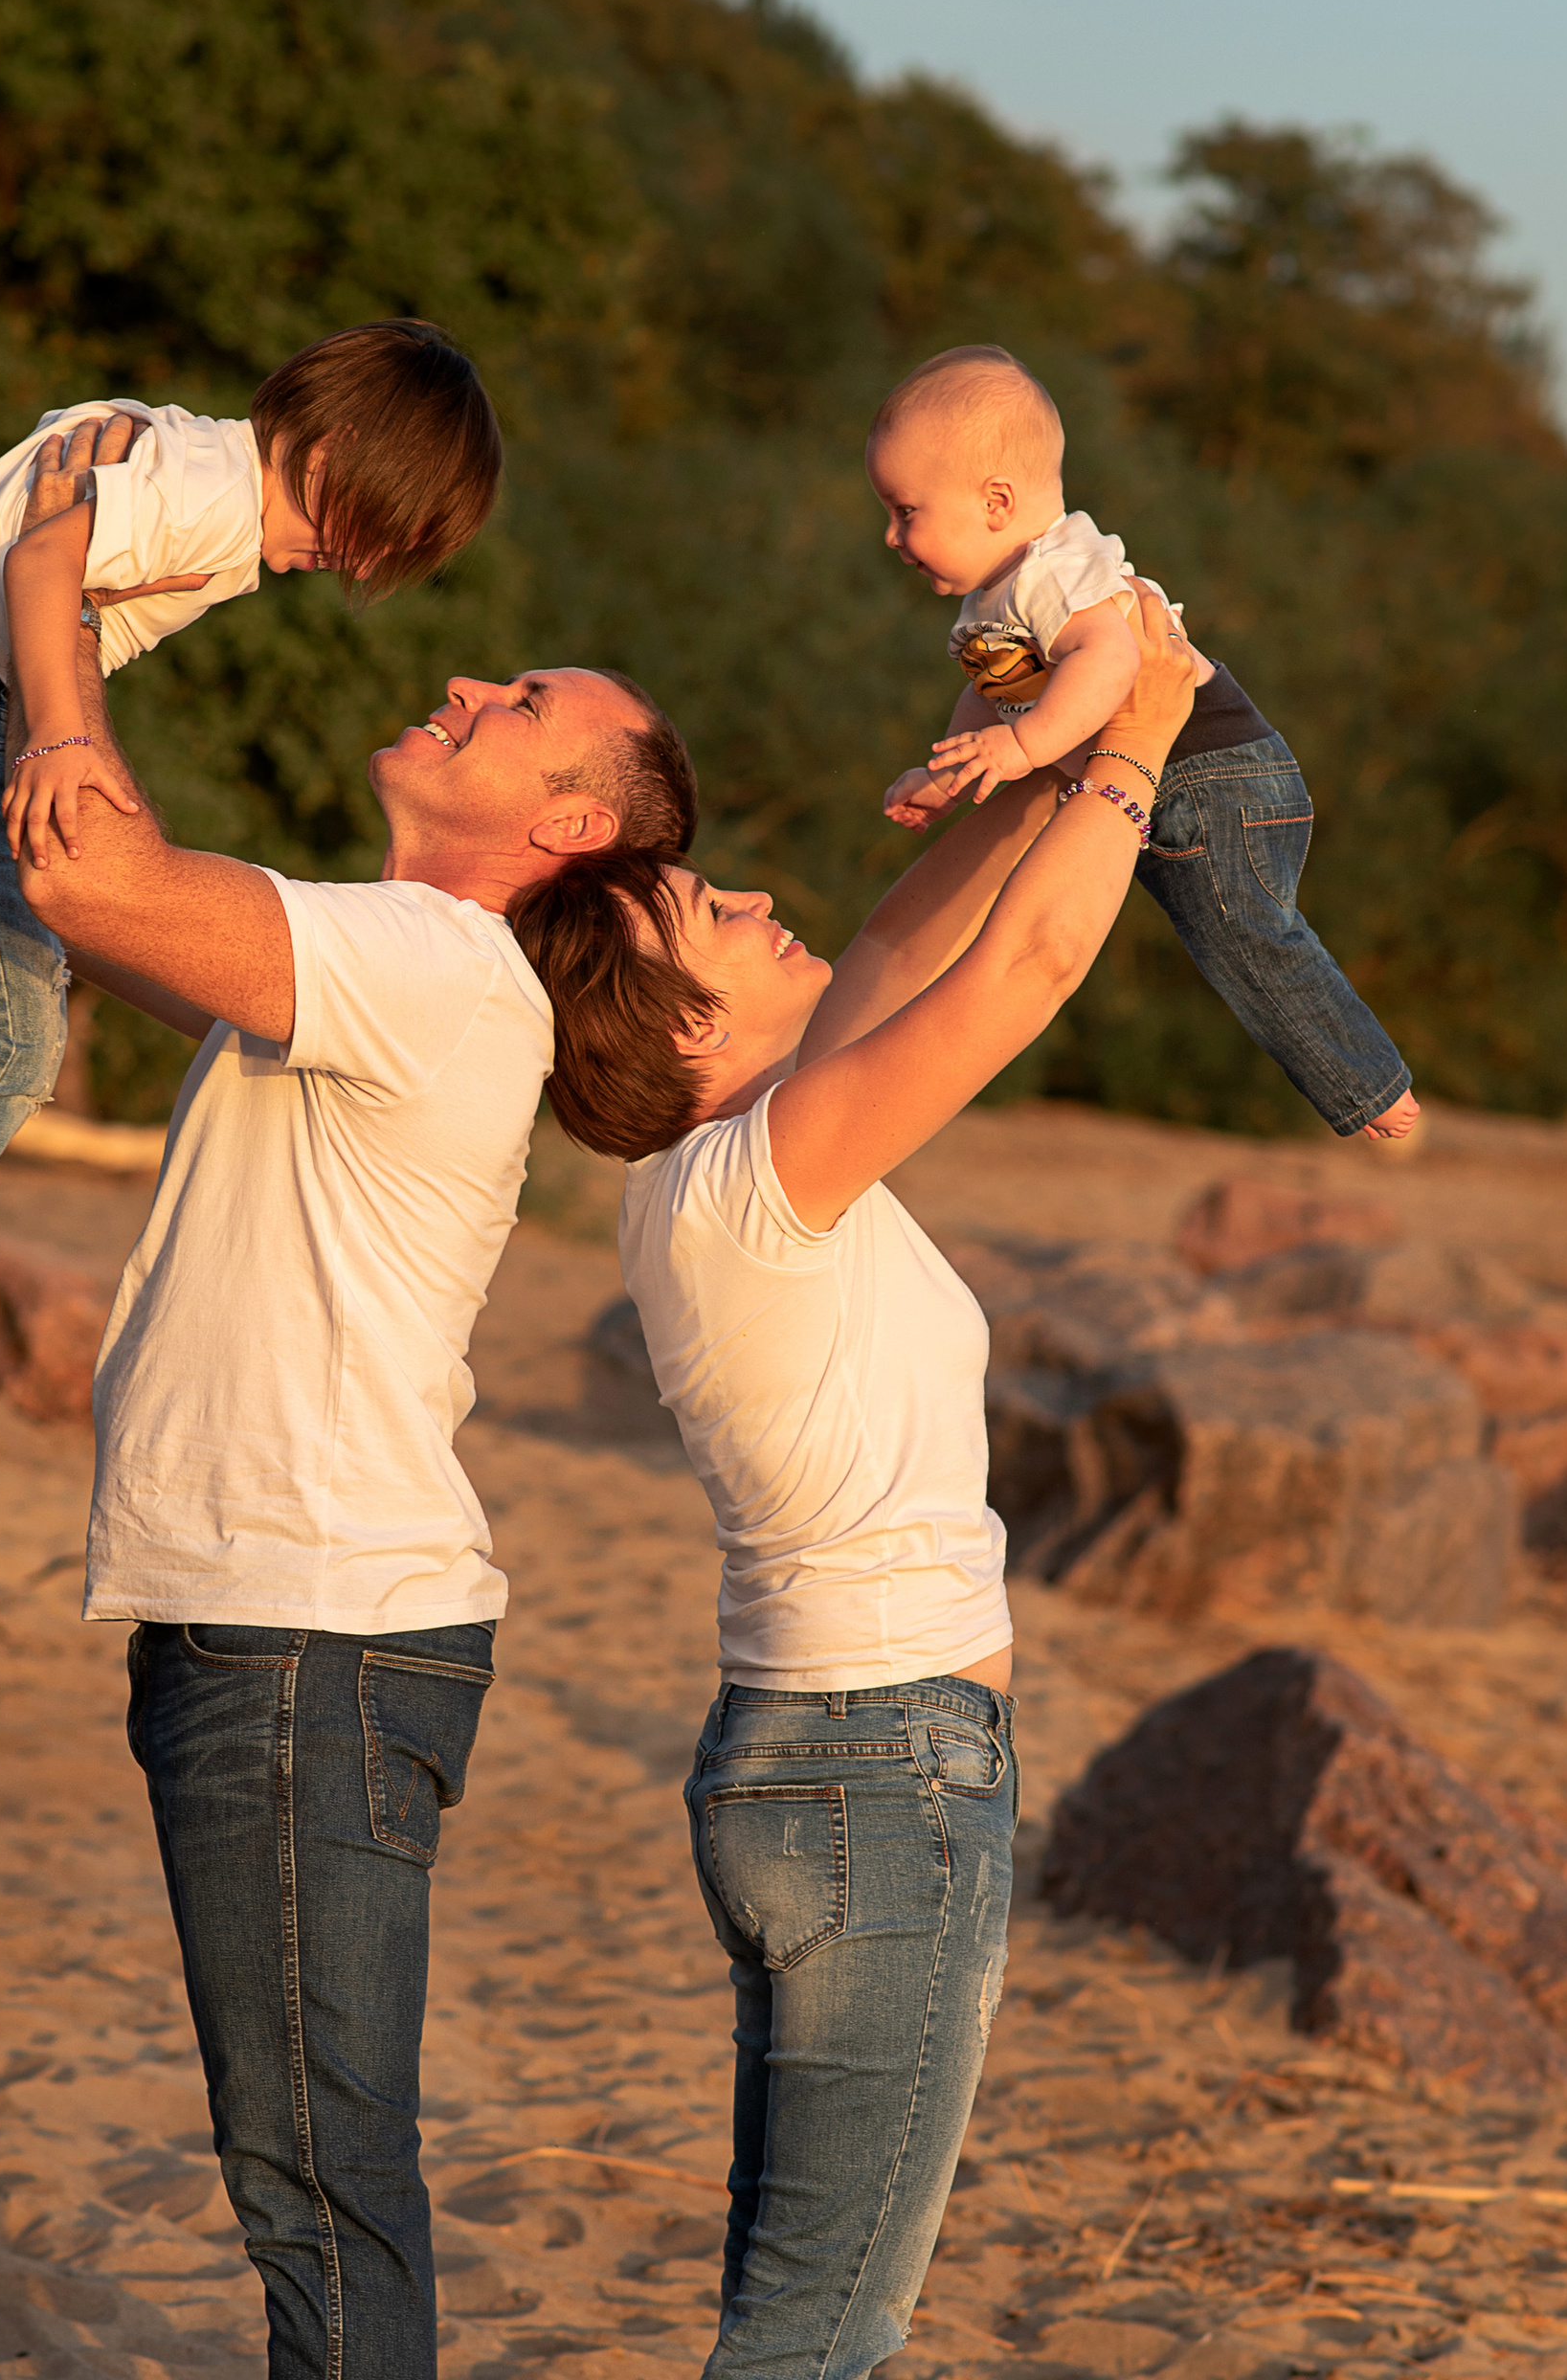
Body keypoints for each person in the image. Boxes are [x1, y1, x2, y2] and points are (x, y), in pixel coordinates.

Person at [7, 463, 698, 2380]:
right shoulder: (384, 964)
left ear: (565, 823)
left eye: (525, 704)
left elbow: (88, 872)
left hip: (307, 1635)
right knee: (310, 2167)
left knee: (317, 2177)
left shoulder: (437, 970)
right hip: (277, 1627)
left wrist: (57, 584)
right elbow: (103, 882)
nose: (472, 681)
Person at [506, 594, 1201, 2380]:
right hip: (878, 1780)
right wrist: (1146, 734)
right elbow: (1023, 978)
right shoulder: (758, 1174)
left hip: (810, 1762)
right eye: (705, 916)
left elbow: (903, 941)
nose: (751, 897)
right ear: (676, 1034)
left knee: (792, 2306)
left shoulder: (716, 1173)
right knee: (825, 2337)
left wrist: (1028, 752)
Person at [0, 322, 504, 1465]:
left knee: (88, 952)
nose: (356, 566)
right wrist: (62, 737)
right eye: (362, 530)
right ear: (332, 453)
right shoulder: (219, 491)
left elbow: (65, 471)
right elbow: (37, 563)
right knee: (3, 1047)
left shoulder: (190, 460)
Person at [872, 343, 1419, 1144]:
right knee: (1210, 934)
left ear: (995, 502)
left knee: (1241, 932)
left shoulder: (1052, 573)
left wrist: (1020, 753)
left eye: (905, 511)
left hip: (1217, 773)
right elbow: (992, 690)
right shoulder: (998, 597)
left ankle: (1368, 1082)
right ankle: (1356, 1076)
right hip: (1172, 785)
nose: (890, 537)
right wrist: (950, 769)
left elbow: (1111, 658)